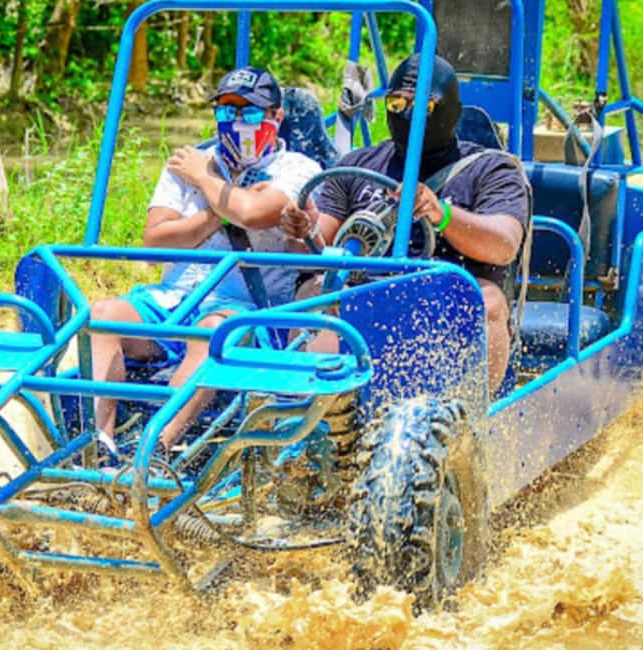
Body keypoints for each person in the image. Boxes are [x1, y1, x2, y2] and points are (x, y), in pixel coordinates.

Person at [88, 66, 320, 452]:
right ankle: (99, 445)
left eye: (250, 112)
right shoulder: (188, 163)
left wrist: (205, 181)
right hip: (174, 301)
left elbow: (252, 212)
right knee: (102, 314)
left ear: (276, 117)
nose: (237, 121)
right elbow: (156, 242)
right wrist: (215, 212)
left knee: (214, 330)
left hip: (247, 310)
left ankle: (154, 449)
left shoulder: (296, 169)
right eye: (227, 111)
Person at [281, 54, 529, 390]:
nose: (407, 114)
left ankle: (470, 419)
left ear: (451, 111)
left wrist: (440, 214)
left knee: (488, 301)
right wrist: (303, 229)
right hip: (364, 290)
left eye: (422, 105)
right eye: (397, 103)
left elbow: (504, 246)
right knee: (313, 291)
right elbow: (317, 244)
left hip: (445, 296)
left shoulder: (491, 169)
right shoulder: (358, 165)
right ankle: (314, 405)